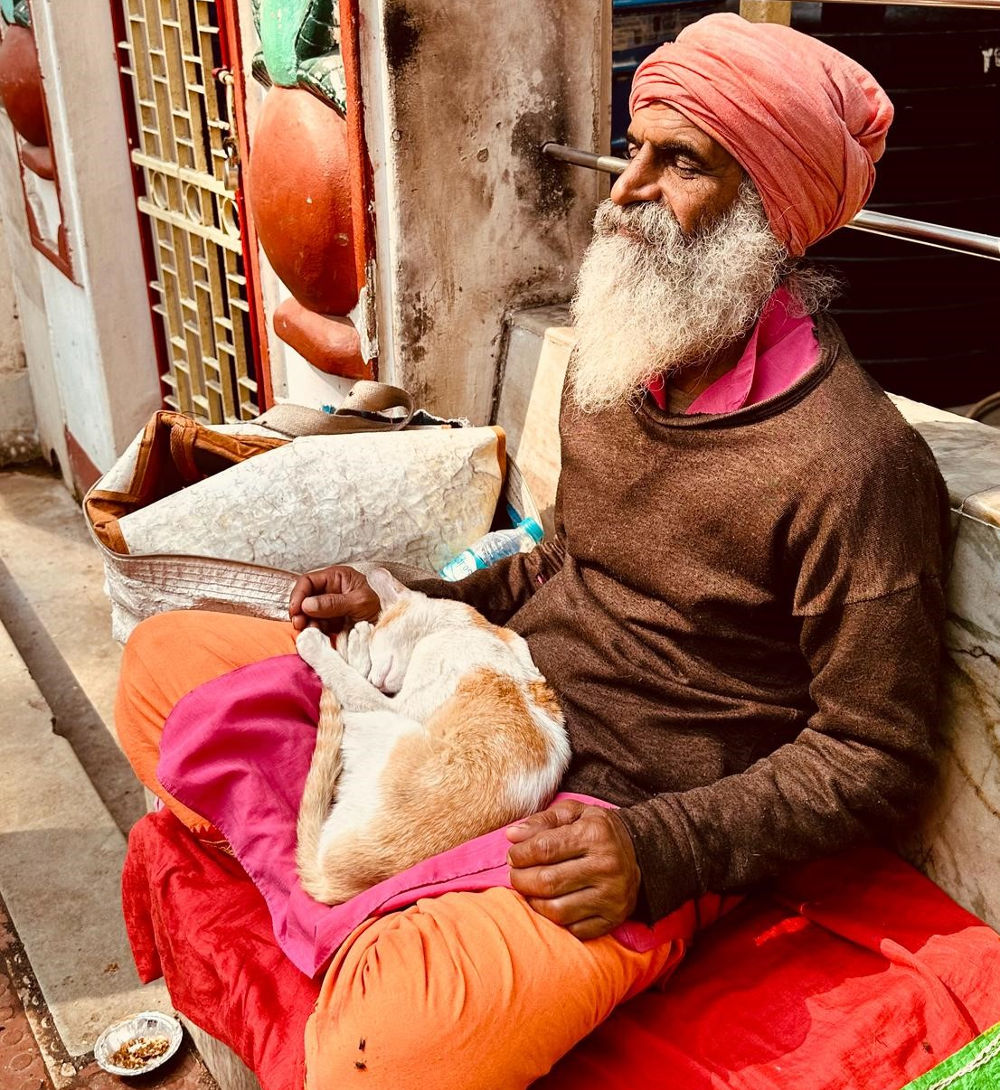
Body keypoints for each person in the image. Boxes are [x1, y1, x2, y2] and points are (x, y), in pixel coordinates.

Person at [115, 14, 950, 1089]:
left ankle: (374, 932)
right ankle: (372, 911)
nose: (621, 191)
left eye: (677, 163)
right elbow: (560, 565)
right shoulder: (625, 360)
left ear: (769, 214)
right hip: (487, 708)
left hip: (613, 823)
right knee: (159, 663)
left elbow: (873, 756)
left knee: (384, 1060)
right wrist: (396, 601)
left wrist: (665, 854)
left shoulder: (853, 464)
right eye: (632, 149)